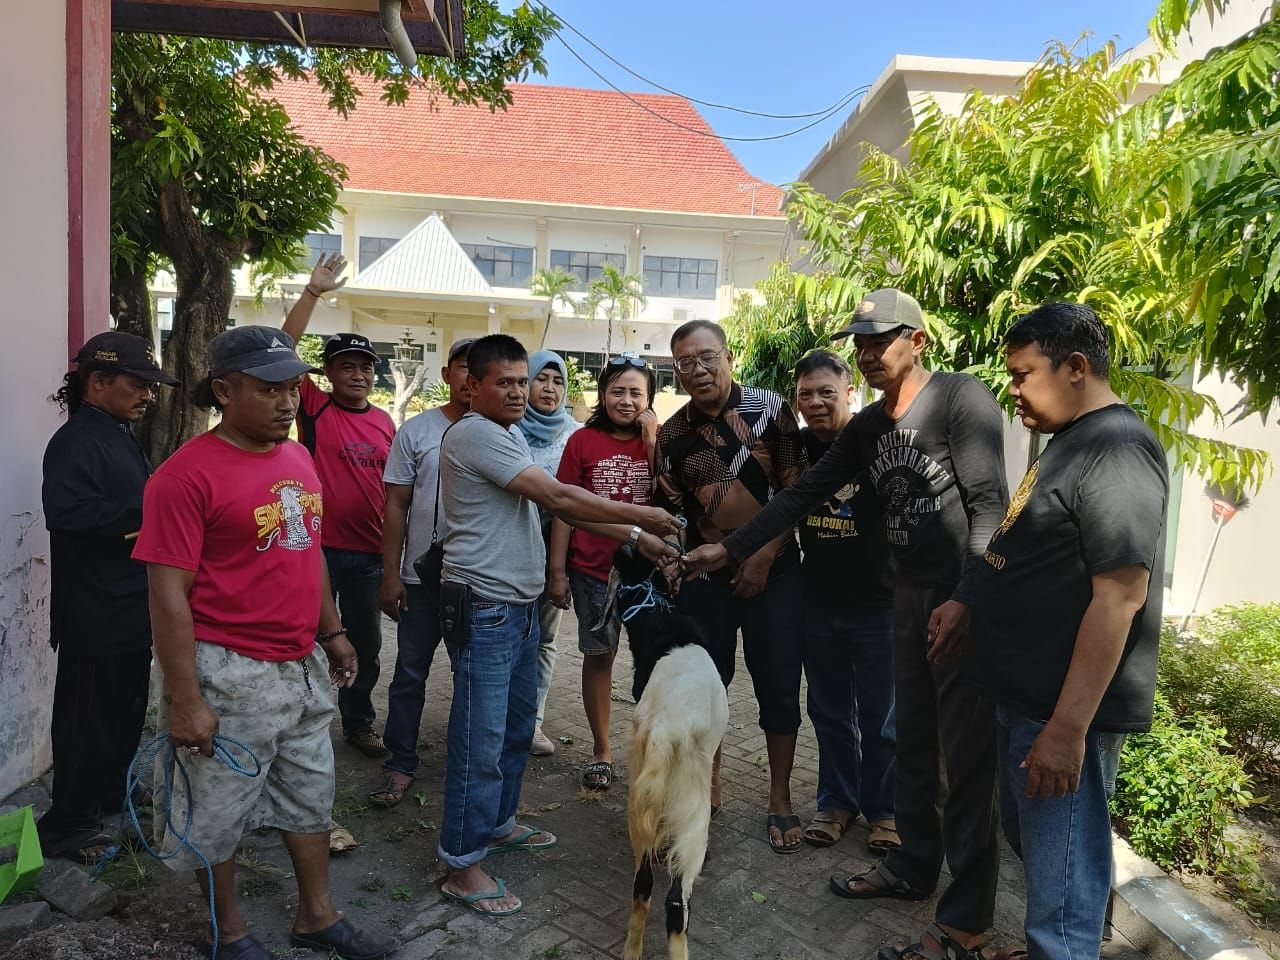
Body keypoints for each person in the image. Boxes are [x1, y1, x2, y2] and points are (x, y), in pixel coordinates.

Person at [683, 289, 1009, 958]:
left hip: (960, 597)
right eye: (858, 343)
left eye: (878, 341)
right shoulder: (868, 429)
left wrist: (971, 600)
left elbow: (988, 508)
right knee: (912, 741)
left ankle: (968, 912)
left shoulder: (960, 400)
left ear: (916, 341)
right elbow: (802, 493)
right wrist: (733, 546)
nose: (865, 354)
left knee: (965, 763)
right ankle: (913, 867)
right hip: (909, 597)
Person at [134, 326, 395, 960]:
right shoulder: (183, 476)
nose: (285, 402)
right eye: (268, 389)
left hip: (299, 664)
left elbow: (309, 556)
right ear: (224, 391)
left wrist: (330, 631)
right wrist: (186, 699)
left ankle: (318, 916)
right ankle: (231, 934)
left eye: (291, 388)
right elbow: (167, 596)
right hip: (225, 667)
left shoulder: (297, 458)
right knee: (213, 810)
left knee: (310, 795)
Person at [436, 334, 681, 917]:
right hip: (486, 606)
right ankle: (462, 865)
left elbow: (565, 507)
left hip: (517, 607)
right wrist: (640, 515)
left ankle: (497, 825)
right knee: (480, 740)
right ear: (472, 386)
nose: (521, 392)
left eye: (525, 380)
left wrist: (634, 535)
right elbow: (558, 495)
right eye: (507, 382)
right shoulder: (474, 433)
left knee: (517, 729)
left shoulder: (508, 432)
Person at [966, 302, 1168, 960]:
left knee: (1064, 883)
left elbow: (1119, 598)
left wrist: (1066, 729)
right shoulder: (1071, 442)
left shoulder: (1117, 450)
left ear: (1075, 367)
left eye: (1023, 376)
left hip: (1058, 711)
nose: (1015, 393)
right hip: (1027, 698)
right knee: (1045, 860)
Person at [653, 319, 810, 855]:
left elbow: (798, 490)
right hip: (707, 579)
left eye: (707, 357)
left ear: (728, 356)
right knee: (703, 689)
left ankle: (780, 798)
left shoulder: (768, 409)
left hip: (777, 572)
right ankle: (705, 790)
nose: (697, 370)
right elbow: (673, 512)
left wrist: (762, 555)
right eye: (684, 363)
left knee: (778, 685)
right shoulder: (672, 434)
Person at [38, 331, 180, 863]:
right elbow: (69, 515)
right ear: (99, 382)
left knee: (123, 711)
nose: (148, 395)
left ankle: (110, 791)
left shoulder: (115, 431)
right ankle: (69, 824)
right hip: (94, 609)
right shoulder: (77, 440)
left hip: (126, 602)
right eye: (138, 384)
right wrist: (150, 520)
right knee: (85, 720)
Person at [281, 253, 397, 762]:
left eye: (365, 367)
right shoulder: (314, 405)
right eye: (346, 366)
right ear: (327, 372)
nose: (357, 374)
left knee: (366, 645)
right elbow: (281, 350)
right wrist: (313, 293)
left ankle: (358, 722)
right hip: (320, 550)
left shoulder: (386, 422)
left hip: (369, 554)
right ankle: (297, 725)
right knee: (306, 639)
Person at [789, 350, 898, 854]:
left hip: (880, 605)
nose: (815, 403)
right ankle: (836, 801)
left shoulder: (880, 441)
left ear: (849, 390)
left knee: (881, 716)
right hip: (818, 603)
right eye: (805, 394)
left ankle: (886, 810)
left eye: (826, 392)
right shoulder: (795, 451)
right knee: (829, 711)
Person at [547, 353, 660, 791]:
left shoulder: (660, 439)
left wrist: (653, 442)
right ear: (602, 394)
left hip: (646, 575)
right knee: (599, 656)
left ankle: (650, 750)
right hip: (592, 570)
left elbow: (669, 495)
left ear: (649, 399)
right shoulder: (582, 442)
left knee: (653, 661)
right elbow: (562, 509)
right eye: (618, 390)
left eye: (636, 392)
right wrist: (557, 570)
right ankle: (601, 750)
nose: (626, 400)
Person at [371, 337, 473, 807]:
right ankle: (400, 762)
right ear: (448, 374)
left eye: (480, 369)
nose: (471, 377)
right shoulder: (416, 430)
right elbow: (395, 505)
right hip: (419, 580)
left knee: (471, 676)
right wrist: (391, 574)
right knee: (410, 672)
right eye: (462, 367)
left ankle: (467, 764)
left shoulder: (505, 433)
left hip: (473, 582)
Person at [515, 350, 579, 757]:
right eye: (542, 378)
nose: (550, 388)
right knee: (505, 638)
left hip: (553, 555)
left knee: (543, 640)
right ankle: (503, 717)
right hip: (508, 554)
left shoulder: (575, 434)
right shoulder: (505, 428)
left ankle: (532, 723)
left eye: (557, 380)